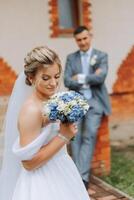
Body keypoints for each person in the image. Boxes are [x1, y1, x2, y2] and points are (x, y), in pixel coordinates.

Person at [0, 46, 90, 200]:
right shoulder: (31, 110)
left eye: (56, 76)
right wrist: (63, 136)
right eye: (46, 78)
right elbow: (28, 164)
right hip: (42, 180)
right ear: (30, 78)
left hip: (62, 169)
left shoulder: (52, 100)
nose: (54, 83)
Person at [64, 26, 111, 189]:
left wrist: (81, 77)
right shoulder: (71, 58)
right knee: (75, 138)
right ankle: (78, 174)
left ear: (90, 37)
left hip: (95, 102)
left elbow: (101, 78)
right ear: (75, 41)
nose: (82, 42)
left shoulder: (101, 56)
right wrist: (91, 77)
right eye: (79, 40)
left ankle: (82, 176)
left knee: (89, 137)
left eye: (85, 38)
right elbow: (67, 81)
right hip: (77, 102)